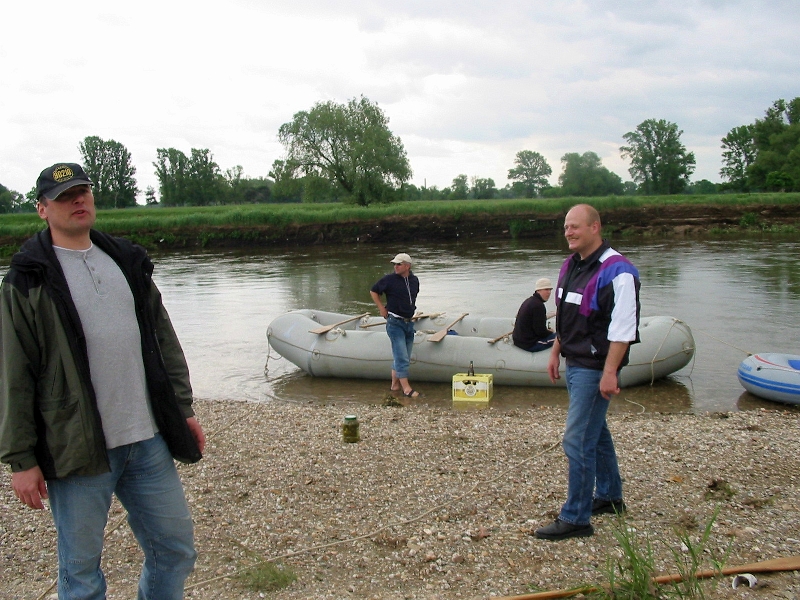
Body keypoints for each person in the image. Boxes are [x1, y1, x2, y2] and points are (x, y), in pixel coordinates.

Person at [0, 162, 205, 598]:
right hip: (77, 450)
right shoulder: (27, 278)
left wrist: (182, 408)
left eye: (83, 191)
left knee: (175, 550)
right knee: (80, 573)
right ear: (42, 209)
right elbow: (13, 373)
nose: (78, 200)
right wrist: (21, 458)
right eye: (64, 196)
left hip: (147, 440)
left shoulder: (127, 261)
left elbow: (163, 339)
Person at [535, 204, 640, 541]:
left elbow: (623, 329)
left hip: (595, 368)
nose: (569, 231)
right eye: (566, 226)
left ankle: (576, 517)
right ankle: (609, 496)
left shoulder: (619, 271)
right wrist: (556, 351)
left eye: (575, 226)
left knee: (577, 439)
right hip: (574, 360)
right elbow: (567, 315)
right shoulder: (570, 265)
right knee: (597, 432)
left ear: (595, 227)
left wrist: (610, 372)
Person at [370, 252, 421, 398]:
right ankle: (406, 389)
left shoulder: (414, 280)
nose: (396, 267)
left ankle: (395, 386)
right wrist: (381, 308)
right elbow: (374, 291)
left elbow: (412, 298)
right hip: (394, 323)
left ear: (407, 266)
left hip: (408, 323)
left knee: (403, 356)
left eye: (399, 264)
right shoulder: (389, 280)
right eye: (395, 264)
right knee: (401, 357)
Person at [512, 277, 556, 352]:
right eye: (546, 289)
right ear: (538, 290)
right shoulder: (538, 306)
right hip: (529, 344)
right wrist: (550, 332)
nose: (549, 292)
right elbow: (541, 332)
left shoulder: (529, 301)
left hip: (518, 340)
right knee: (563, 337)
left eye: (550, 290)